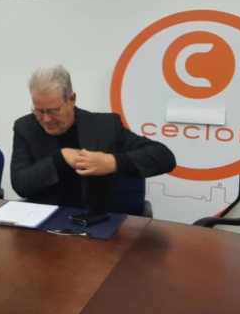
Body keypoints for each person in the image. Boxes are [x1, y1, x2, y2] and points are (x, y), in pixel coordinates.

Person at [11, 65, 176, 212]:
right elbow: (21, 185)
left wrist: (112, 162)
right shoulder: (25, 127)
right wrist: (61, 157)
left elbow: (164, 157)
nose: (46, 119)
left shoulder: (105, 126)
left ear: (71, 100)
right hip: (44, 221)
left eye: (54, 111)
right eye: (39, 111)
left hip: (96, 221)